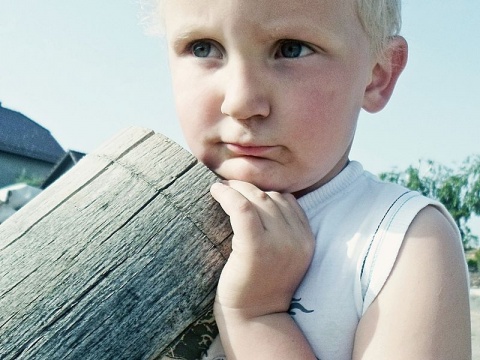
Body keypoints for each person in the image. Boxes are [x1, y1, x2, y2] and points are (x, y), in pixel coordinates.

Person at [157, 0, 472, 358]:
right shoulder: (142, 209)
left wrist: (256, 315)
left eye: (291, 49)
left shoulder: (403, 241)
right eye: (203, 48)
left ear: (378, 73)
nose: (241, 101)